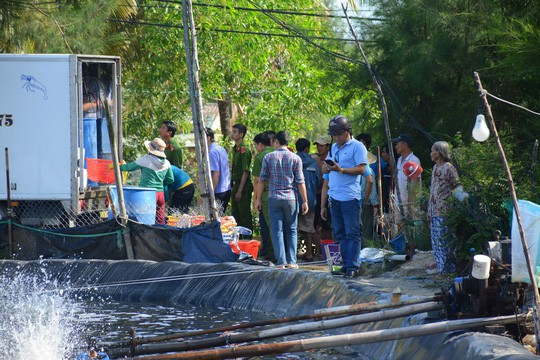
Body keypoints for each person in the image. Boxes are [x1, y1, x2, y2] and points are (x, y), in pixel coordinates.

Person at [321, 115, 368, 278]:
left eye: (339, 134)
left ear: (348, 131)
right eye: (334, 135)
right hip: (334, 197)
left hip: (349, 197)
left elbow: (362, 169)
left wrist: (342, 170)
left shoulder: (357, 147)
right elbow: (326, 166)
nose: (336, 137)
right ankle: (345, 264)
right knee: (340, 233)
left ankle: (353, 266)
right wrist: (325, 168)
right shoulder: (333, 147)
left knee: (352, 233)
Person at [255, 131, 308, 268]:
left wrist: (258, 200)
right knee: (291, 230)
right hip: (291, 198)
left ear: (276, 141)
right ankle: (292, 262)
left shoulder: (268, 157)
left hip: (274, 197)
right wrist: (305, 201)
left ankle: (281, 262)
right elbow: (300, 182)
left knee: (276, 230)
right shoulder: (295, 158)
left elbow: (261, 181)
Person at [118, 138, 174, 224]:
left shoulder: (145, 159)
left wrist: (118, 166)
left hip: (147, 193)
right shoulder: (167, 163)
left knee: (146, 218)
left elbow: (128, 167)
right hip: (160, 194)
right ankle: (161, 234)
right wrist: (161, 183)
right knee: (160, 218)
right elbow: (170, 179)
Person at [428, 141, 459, 274]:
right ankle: (441, 267)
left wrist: (462, 203)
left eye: (432, 151)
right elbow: (432, 190)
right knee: (436, 241)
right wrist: (429, 209)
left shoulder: (449, 168)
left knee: (444, 241)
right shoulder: (435, 168)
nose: (430, 153)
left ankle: (447, 268)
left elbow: (457, 186)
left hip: (445, 210)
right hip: (434, 210)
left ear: (439, 153)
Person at [252, 132, 275, 261]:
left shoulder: (260, 157)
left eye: (256, 145)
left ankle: (271, 252)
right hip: (282, 193)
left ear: (260, 144)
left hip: (266, 195)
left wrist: (256, 199)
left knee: (268, 225)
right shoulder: (278, 152)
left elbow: (257, 181)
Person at [295, 138, 319, 262]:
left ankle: (294, 253)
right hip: (310, 200)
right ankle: (310, 253)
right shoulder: (313, 162)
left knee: (294, 227)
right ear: (307, 149)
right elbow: (319, 181)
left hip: (294, 199)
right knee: (309, 226)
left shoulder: (292, 160)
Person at [230, 123, 253, 232]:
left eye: (235, 132)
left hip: (243, 185)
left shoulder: (244, 150)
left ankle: (248, 241)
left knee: (244, 215)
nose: (232, 134)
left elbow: (246, 171)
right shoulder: (236, 149)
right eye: (232, 131)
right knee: (235, 215)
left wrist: (240, 190)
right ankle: (239, 241)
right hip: (236, 184)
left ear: (241, 134)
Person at [392, 133, 421, 218]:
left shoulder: (414, 160)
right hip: (398, 203)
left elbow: (414, 184)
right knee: (399, 229)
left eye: (397, 144)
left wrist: (410, 205)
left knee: (410, 228)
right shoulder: (399, 160)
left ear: (405, 145)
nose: (395, 146)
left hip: (409, 204)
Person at [356, 134, 377, 244]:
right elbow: (372, 191)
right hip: (365, 203)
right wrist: (375, 204)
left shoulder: (355, 171)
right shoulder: (370, 172)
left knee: (359, 230)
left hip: (359, 202)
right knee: (366, 231)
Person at [312, 135, 332, 241]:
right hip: (317, 195)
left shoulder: (331, 160)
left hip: (329, 195)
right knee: (316, 224)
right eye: (318, 146)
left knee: (328, 224)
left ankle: (330, 247)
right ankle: (320, 250)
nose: (319, 148)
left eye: (322, 146)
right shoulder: (314, 159)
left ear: (328, 147)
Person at [206, 128, 231, 214]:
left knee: (215, 219)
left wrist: (211, 192)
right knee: (221, 217)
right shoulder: (221, 149)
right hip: (226, 189)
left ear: (208, 138)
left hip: (218, 191)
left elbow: (216, 174)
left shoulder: (212, 152)